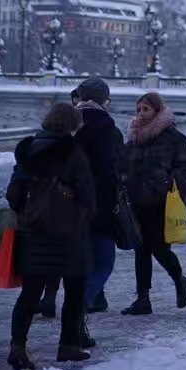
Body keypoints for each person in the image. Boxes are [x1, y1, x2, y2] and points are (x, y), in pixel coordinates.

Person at [5, 102, 96, 370]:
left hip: (33, 232)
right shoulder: (73, 152)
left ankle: (17, 346)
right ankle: (68, 345)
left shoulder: (27, 150)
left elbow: (13, 196)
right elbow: (88, 196)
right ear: (71, 125)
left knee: (30, 293)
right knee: (75, 289)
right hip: (68, 234)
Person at [121, 92, 186, 315]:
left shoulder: (173, 137)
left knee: (158, 247)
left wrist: (169, 181)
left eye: (146, 109)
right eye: (138, 110)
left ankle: (180, 279)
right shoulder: (134, 139)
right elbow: (122, 164)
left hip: (161, 203)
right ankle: (143, 299)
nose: (141, 114)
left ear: (157, 111)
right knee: (140, 249)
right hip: (136, 201)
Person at [73, 78, 127, 319]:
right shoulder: (108, 130)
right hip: (101, 205)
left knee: (80, 263)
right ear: (105, 100)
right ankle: (77, 310)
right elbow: (114, 171)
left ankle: (90, 303)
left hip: (69, 206)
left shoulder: (68, 125)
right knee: (104, 262)